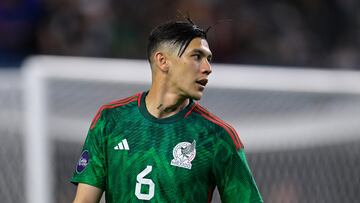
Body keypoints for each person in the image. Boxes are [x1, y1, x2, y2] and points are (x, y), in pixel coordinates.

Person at [71, 19, 263, 203]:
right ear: (163, 61)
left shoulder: (217, 136)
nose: (208, 68)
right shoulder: (111, 119)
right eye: (197, 56)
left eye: (209, 59)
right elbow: (84, 200)